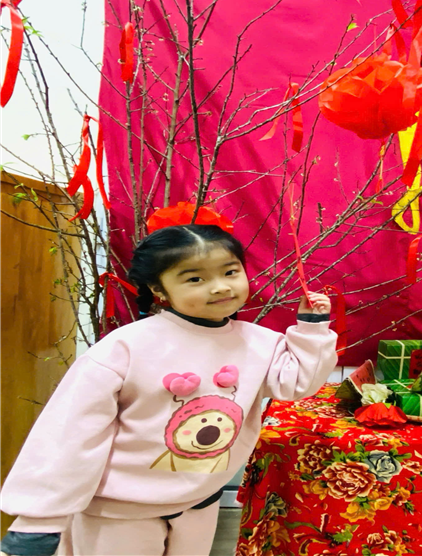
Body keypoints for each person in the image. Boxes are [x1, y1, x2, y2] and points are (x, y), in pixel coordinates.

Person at [0, 224, 338, 556]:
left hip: (200, 504)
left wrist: (312, 329)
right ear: (158, 288)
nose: (220, 287)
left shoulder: (259, 343)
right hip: (118, 513)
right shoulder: (125, 348)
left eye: (230, 272)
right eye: (195, 279)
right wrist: (39, 520)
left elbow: (296, 383)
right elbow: (70, 432)